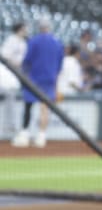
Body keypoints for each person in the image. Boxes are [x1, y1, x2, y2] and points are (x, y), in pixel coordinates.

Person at [11, 20, 64, 148]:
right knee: (45, 107)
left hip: (33, 79)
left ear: (39, 28)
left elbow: (27, 60)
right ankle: (41, 136)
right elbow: (59, 65)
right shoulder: (57, 43)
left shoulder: (34, 41)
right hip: (49, 79)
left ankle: (24, 135)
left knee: (28, 106)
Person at [0, 23, 28, 136]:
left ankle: (9, 126)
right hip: (6, 73)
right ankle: (9, 126)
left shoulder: (23, 42)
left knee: (11, 96)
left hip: (15, 74)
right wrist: (16, 63)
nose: (27, 31)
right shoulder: (11, 40)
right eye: (25, 28)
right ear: (20, 29)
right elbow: (4, 56)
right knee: (9, 93)